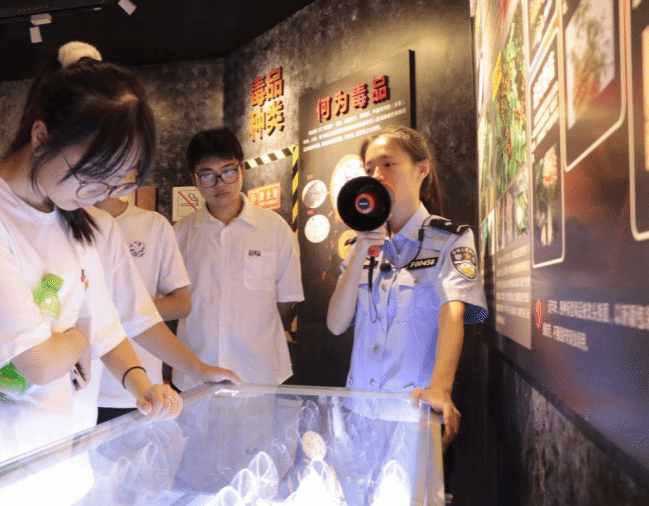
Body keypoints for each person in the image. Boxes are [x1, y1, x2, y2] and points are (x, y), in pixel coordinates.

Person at [0, 42, 181, 506]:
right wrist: (75, 338)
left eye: (115, 184)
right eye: (92, 178)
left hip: (60, 474)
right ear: (41, 136)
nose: (100, 196)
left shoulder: (72, 217)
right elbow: (34, 361)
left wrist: (143, 386)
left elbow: (105, 327)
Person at [326, 125, 488, 449]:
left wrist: (441, 388)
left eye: (388, 164)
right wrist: (360, 250)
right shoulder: (362, 246)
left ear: (421, 169)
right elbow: (335, 324)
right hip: (358, 414)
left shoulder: (450, 239)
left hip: (412, 417)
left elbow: (453, 314)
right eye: (370, 169)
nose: (377, 175)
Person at [173, 127, 304, 390]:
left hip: (257, 372)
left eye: (228, 171)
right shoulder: (180, 234)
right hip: (194, 374)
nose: (220, 184)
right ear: (195, 179)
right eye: (207, 175)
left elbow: (285, 299)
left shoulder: (275, 229)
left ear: (242, 169)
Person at [87, 198, 240, 423]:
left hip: (105, 393)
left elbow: (132, 315)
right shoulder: (52, 227)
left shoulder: (104, 225)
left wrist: (196, 370)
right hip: (59, 396)